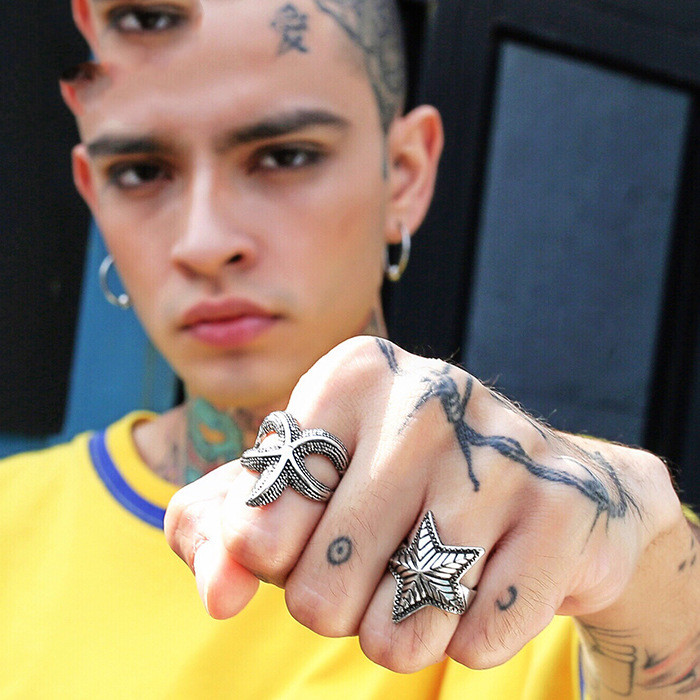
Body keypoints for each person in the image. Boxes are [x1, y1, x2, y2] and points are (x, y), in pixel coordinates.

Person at [0, 1, 697, 698]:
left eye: (284, 156)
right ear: (95, 196)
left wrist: (642, 557)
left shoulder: (550, 547)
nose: (204, 243)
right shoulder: (13, 523)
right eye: (141, 171)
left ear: (405, 173)